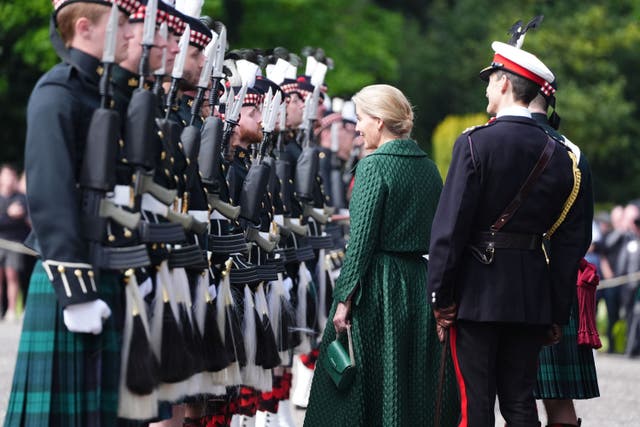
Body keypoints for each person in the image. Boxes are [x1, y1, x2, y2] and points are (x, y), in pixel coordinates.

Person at [427, 41, 587, 427]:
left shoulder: (473, 143)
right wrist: (554, 308)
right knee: (520, 404)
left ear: (503, 85)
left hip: (476, 294)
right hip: (531, 295)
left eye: (490, 81)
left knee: (476, 406)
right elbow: (571, 242)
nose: (485, 90)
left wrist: (441, 296)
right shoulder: (564, 155)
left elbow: (449, 229)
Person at [4, 0, 135, 425]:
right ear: (84, 28)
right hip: (70, 272)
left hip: (106, 262)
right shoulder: (56, 90)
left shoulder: (106, 92)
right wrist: (75, 289)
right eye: (117, 26)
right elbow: (49, 190)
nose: (128, 35)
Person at [304, 84, 459, 427]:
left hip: (377, 288)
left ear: (379, 120)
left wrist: (343, 299)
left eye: (360, 119)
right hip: (418, 285)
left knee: (361, 391)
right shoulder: (429, 168)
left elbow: (360, 242)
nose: (357, 129)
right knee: (407, 386)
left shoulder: (372, 167)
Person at [529, 87, 599, 427]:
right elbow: (581, 233)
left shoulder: (497, 141)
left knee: (515, 400)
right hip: (561, 282)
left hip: (514, 282)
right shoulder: (572, 152)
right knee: (559, 401)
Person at [0, 164, 30, 321]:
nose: (8, 179)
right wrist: (8, 214)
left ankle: (12, 311)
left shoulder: (21, 198)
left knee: (12, 276)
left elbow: (20, 220)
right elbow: (6, 220)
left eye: (11, 175)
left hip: (15, 244)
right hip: (1, 242)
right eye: (5, 175)